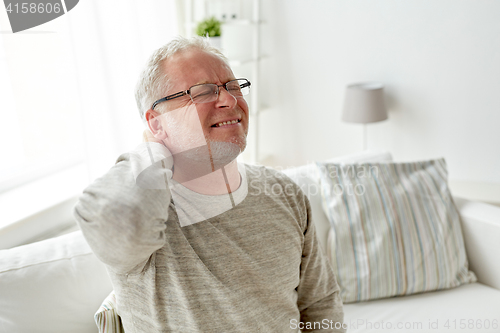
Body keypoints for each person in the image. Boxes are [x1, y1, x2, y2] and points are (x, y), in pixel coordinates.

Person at [74, 36, 345, 332]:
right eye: (202, 92)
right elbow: (108, 219)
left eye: (233, 86)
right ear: (156, 122)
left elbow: (319, 303)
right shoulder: (148, 211)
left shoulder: (284, 192)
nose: (230, 100)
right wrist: (152, 150)